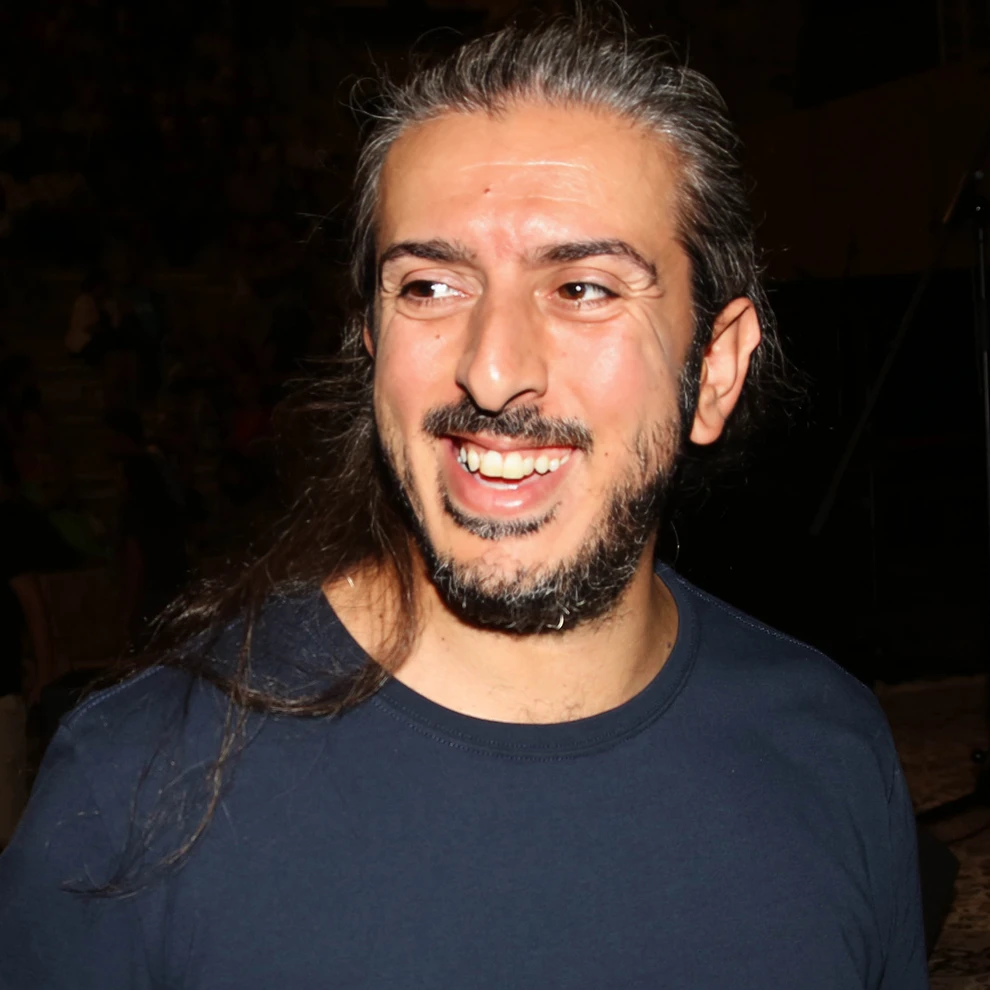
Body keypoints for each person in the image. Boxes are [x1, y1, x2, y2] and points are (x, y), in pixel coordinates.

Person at [0, 13, 927, 989]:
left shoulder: (829, 749)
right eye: (431, 287)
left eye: (584, 288)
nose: (491, 369)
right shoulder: (136, 786)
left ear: (718, 369)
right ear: (370, 346)